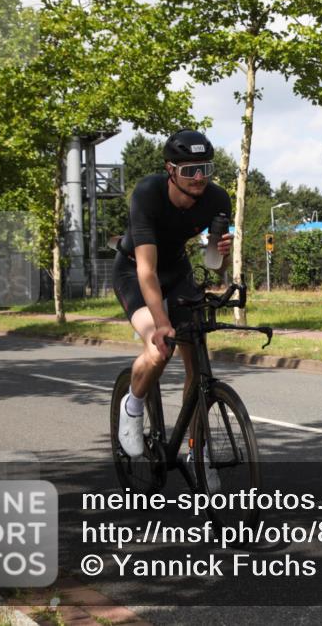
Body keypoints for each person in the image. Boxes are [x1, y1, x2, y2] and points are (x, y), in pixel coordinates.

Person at [113, 129, 232, 457]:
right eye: (189, 170)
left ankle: (197, 447)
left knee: (196, 357)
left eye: (205, 169)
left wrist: (222, 254)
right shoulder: (148, 193)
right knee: (158, 349)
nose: (198, 178)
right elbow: (146, 270)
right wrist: (162, 322)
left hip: (178, 272)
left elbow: (217, 267)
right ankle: (133, 406)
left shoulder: (218, 200)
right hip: (134, 273)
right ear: (170, 170)